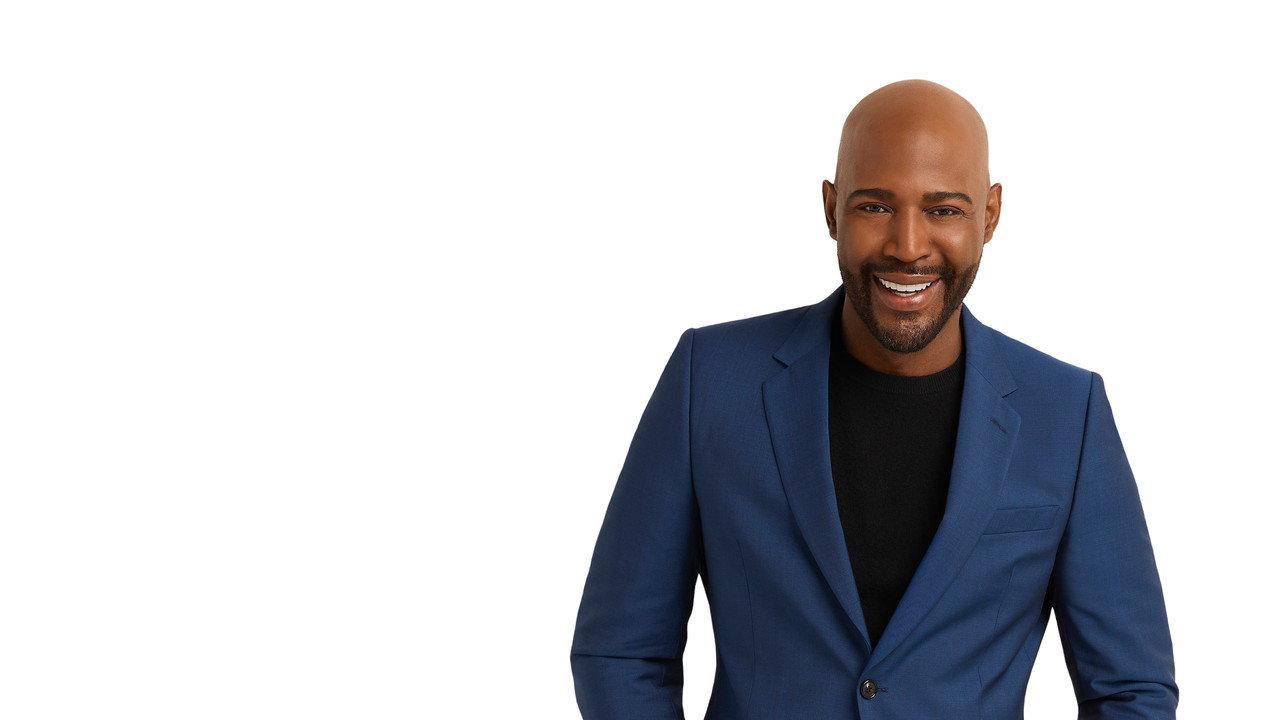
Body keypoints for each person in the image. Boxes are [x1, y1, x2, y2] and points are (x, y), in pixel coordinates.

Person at [569, 79, 1178, 719]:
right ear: (832, 209)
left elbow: (1130, 691)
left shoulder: (1067, 414)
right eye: (875, 206)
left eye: (944, 209)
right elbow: (621, 653)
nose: (907, 246)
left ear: (990, 215)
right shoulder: (712, 382)